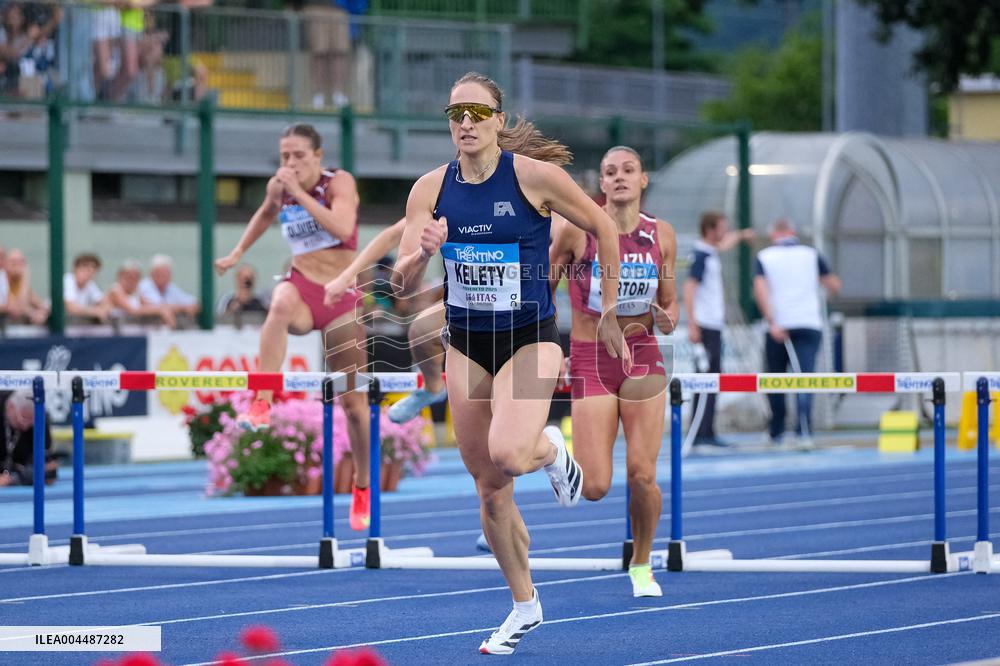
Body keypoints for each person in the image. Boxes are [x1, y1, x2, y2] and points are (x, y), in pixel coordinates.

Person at [392, 71, 628, 655]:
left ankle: (550, 448)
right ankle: (525, 605)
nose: (465, 122)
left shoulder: (534, 178)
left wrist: (614, 309)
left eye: (477, 111)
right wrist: (422, 255)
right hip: (466, 343)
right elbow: (398, 286)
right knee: (491, 488)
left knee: (509, 453)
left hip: (530, 337)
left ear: (499, 119)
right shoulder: (429, 189)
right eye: (455, 113)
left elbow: (602, 223)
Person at [215, 123, 372, 531]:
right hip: (303, 290)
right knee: (280, 301)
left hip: (340, 298)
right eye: (284, 156)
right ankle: (262, 400)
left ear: (318, 156)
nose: (290, 164)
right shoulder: (278, 187)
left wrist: (299, 193)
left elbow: (342, 227)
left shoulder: (340, 183)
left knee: (354, 408)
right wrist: (236, 253)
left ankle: (361, 486)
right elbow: (264, 214)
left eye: (298, 156)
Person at [550, 145, 678, 598]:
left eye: (629, 170)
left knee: (643, 474)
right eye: (610, 171)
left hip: (642, 353)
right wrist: (552, 347)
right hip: (590, 355)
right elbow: (544, 293)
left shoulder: (661, 234)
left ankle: (642, 565)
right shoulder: (575, 230)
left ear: (643, 180)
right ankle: (554, 452)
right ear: (601, 183)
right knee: (596, 486)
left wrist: (668, 317)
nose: (620, 177)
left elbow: (670, 301)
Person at [323, 219, 449, 424]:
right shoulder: (441, 195)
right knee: (420, 329)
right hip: (463, 306)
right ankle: (433, 387)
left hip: (516, 310)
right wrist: (346, 276)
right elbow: (392, 235)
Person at [753, 218, 841, 450]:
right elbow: (834, 284)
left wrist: (772, 320)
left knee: (775, 379)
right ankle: (804, 431)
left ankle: (776, 432)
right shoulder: (811, 254)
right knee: (805, 378)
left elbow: (760, 289)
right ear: (792, 232)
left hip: (778, 324)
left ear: (774, 235)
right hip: (808, 322)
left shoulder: (764, 257)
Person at [683, 211, 755, 448]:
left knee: (712, 378)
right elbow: (690, 289)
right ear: (710, 230)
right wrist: (693, 324)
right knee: (706, 378)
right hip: (705, 326)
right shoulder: (702, 255)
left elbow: (725, 243)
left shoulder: (711, 250)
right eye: (722, 228)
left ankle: (706, 429)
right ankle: (701, 432)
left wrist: (743, 235)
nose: (725, 232)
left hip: (712, 325)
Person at [0, 390, 56, 487]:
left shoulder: (39, 419)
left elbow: (49, 471)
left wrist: (45, 470)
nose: (26, 425)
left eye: (31, 422)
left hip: (18, 476)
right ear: (10, 408)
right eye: (24, 418)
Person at [108, 259, 175, 327]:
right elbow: (132, 311)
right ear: (120, 276)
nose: (132, 281)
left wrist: (164, 309)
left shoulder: (136, 293)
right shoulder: (115, 291)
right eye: (129, 277)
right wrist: (160, 311)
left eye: (136, 278)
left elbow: (148, 305)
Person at [138, 254, 199, 324]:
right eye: (160, 274)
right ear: (152, 273)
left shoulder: (171, 287)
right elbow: (158, 306)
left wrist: (184, 308)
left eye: (166, 274)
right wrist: (182, 308)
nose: (163, 277)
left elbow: (193, 303)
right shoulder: (145, 285)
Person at [4, 248, 49, 325]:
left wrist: (42, 313)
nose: (17, 266)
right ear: (6, 264)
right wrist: (25, 277)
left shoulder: (20, 284)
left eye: (21, 262)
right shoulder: (3, 282)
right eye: (13, 262)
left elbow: (43, 305)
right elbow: (17, 309)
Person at [64, 252, 112, 324]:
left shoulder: (90, 284)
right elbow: (71, 308)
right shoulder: (68, 279)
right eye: (85, 267)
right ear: (75, 268)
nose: (89, 272)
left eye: (93, 269)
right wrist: (95, 311)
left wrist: (102, 310)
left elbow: (106, 304)